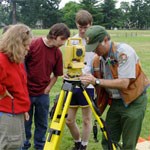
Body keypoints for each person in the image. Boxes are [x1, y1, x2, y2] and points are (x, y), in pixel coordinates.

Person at [79, 25, 150, 150]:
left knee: (128, 144)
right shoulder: (97, 59)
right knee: (108, 140)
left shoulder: (123, 52)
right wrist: (77, 76)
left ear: (106, 40)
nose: (94, 51)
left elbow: (124, 83)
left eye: (96, 47)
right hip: (116, 102)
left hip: (134, 101)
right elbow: (87, 72)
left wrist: (96, 81)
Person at [22, 23, 70, 150]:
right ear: (54, 35)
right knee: (25, 122)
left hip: (43, 94)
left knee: (42, 123)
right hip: (26, 92)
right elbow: (21, 65)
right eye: (62, 39)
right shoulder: (33, 45)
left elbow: (57, 74)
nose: (63, 43)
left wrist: (48, 88)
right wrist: (23, 86)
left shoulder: (57, 53)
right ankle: (24, 145)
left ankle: (40, 146)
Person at [65, 10, 95, 150]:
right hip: (72, 83)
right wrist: (67, 73)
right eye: (80, 27)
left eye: (85, 27)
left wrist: (90, 79)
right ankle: (77, 142)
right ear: (76, 25)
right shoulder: (72, 41)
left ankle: (83, 146)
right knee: (69, 120)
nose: (82, 30)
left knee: (86, 119)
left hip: (87, 85)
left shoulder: (94, 42)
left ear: (91, 25)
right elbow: (68, 62)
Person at [0, 23, 32, 150]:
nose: (28, 48)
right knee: (10, 146)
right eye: (25, 45)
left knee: (18, 144)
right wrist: (2, 91)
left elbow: (20, 87)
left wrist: (23, 108)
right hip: (7, 112)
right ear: (16, 44)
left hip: (16, 111)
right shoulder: (2, 60)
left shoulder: (15, 59)